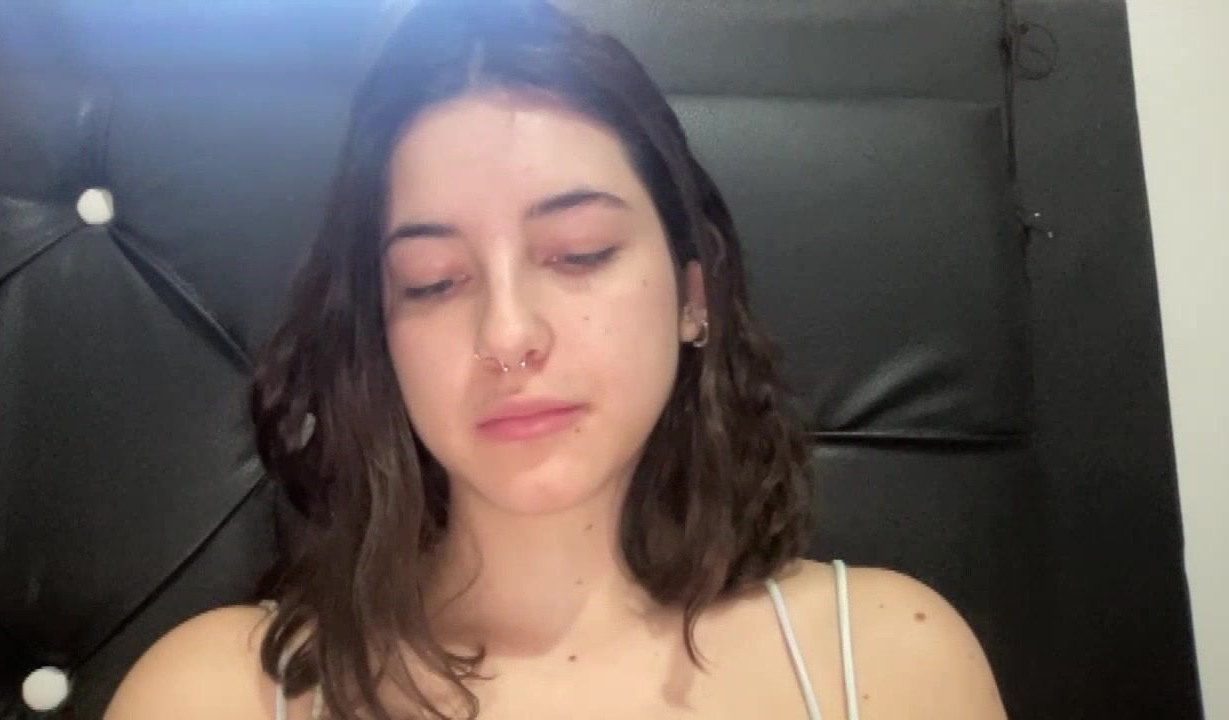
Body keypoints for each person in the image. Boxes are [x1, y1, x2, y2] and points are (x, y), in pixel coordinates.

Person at [105, 1, 1007, 718]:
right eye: (433, 280)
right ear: (381, 334)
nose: (507, 334)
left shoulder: (888, 666)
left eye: (579, 253)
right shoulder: (213, 695)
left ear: (693, 296)